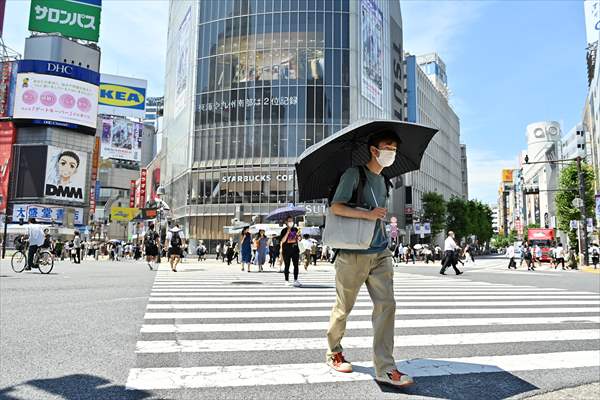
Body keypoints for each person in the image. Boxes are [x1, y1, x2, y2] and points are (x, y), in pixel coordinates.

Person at [325, 131, 413, 388]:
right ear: (374, 150)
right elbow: (336, 207)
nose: (392, 153)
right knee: (344, 307)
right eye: (388, 147)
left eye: (394, 148)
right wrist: (368, 214)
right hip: (352, 253)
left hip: (380, 252)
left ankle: (385, 368)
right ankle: (334, 351)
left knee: (387, 306)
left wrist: (378, 220)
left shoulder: (384, 180)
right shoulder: (354, 174)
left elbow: (377, 215)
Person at [279, 216, 301, 286]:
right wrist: (288, 232)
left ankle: (295, 280)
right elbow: (283, 240)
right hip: (286, 251)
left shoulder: (296, 229)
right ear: (286, 222)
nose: (291, 222)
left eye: (292, 221)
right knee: (287, 265)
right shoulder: (283, 230)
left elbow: (299, 239)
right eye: (289, 221)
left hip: (295, 250)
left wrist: (299, 237)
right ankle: (286, 280)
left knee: (296, 265)